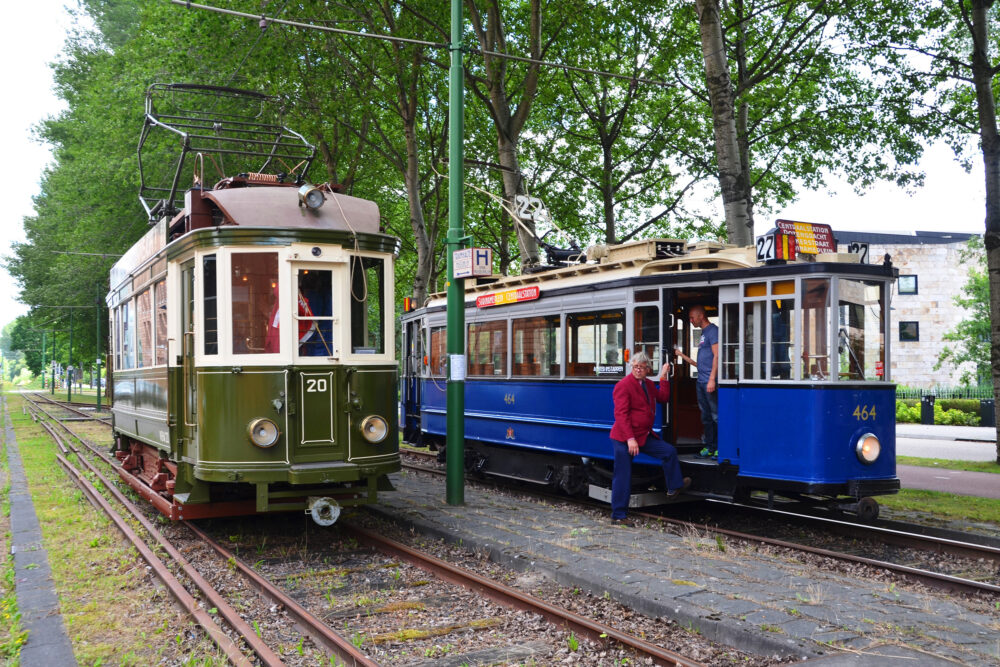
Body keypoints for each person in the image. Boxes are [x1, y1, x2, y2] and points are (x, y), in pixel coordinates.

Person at [609, 351, 691, 525]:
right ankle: (618, 516)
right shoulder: (623, 386)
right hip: (624, 438)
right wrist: (630, 439)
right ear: (632, 366)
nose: (638, 370)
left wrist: (663, 376)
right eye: (636, 367)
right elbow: (621, 416)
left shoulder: (647, 384)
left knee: (668, 451)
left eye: (642, 367)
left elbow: (663, 397)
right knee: (623, 475)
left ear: (647, 369)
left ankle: (673, 487)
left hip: (643, 435)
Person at [674, 305, 719, 457]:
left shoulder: (713, 331)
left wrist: (712, 379)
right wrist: (680, 354)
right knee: (705, 416)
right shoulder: (703, 333)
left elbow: (717, 356)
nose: (691, 321)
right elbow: (699, 364)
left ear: (701, 316)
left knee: (715, 416)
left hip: (708, 381)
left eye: (692, 318)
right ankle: (710, 446)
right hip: (701, 381)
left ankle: (720, 447)